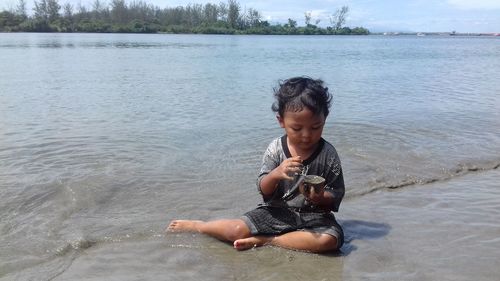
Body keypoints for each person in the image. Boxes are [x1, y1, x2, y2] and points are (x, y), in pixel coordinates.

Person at [167, 77, 345, 253]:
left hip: (315, 217)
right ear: (281, 121)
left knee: (328, 241)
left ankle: (268, 240)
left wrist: (320, 198)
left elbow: (336, 193)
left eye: (315, 127)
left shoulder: (328, 154)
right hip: (275, 212)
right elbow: (263, 189)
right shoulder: (276, 149)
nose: (306, 135)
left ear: (325, 119)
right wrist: (276, 173)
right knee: (236, 231)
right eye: (297, 128)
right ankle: (200, 226)